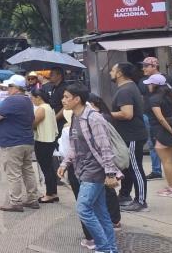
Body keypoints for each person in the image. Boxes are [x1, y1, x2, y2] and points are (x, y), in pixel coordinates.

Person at [57, 85, 122, 253]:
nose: (63, 100)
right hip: (83, 169)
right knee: (101, 212)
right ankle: (111, 249)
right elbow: (74, 146)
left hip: (94, 171)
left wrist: (110, 173)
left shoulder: (94, 118)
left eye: (66, 97)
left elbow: (105, 147)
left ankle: (103, 247)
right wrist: (65, 164)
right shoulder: (75, 118)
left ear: (77, 99)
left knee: (83, 208)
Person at [0, 75, 39, 212]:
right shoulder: (27, 100)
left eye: (9, 87)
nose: (7, 90)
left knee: (14, 173)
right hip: (26, 140)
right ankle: (32, 198)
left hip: (13, 142)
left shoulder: (12, 100)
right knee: (27, 170)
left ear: (16, 88)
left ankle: (15, 201)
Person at [109, 62, 148, 212]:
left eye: (113, 70)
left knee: (135, 167)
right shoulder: (127, 88)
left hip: (132, 135)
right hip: (128, 135)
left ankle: (141, 201)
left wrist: (106, 114)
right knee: (127, 167)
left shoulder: (125, 90)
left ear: (119, 73)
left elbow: (127, 114)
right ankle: (125, 196)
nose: (110, 73)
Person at [143, 74, 172, 198]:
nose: (148, 86)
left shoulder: (154, 99)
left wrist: (170, 131)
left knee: (166, 161)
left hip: (161, 131)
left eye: (149, 83)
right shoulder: (170, 97)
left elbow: (161, 119)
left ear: (154, 85)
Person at [139, 57, 169, 180]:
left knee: (171, 146)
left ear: (154, 66)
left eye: (146, 66)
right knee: (153, 144)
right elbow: (142, 97)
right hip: (148, 116)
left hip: (166, 116)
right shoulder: (143, 81)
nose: (143, 68)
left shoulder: (167, 79)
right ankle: (156, 170)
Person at [30, 89, 59, 203]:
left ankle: (49, 194)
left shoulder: (42, 108)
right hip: (50, 140)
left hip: (43, 141)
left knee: (46, 169)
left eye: (32, 98)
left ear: (38, 97)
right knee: (49, 168)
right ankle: (53, 192)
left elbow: (33, 123)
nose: (32, 100)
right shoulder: (49, 107)